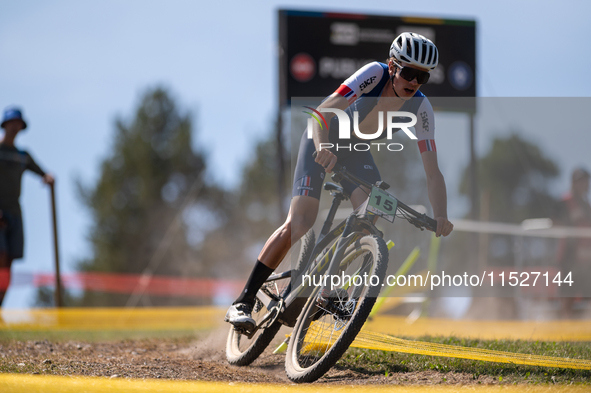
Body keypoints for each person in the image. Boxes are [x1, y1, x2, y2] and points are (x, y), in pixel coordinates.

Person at [225, 32, 454, 330]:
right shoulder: (374, 74)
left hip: (355, 152)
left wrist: (440, 216)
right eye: (409, 72)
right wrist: (323, 146)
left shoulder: (422, 110)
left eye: (422, 77)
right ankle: (243, 300)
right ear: (392, 66)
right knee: (301, 220)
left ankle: (329, 290)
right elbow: (323, 112)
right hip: (322, 138)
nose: (414, 82)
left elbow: (433, 172)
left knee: (372, 216)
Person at [0, 107, 55, 306]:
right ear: (5, 124)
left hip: (15, 213)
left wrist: (47, 177)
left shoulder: (22, 155)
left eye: (18, 123)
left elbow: (42, 172)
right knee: (1, 256)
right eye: (12, 122)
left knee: (10, 262)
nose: (15, 126)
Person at [555, 167, 591, 317]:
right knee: (567, 296)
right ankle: (565, 329)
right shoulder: (564, 202)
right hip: (568, 258)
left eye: (585, 181)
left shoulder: (587, 206)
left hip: (586, 261)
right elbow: (555, 223)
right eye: (580, 181)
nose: (584, 184)